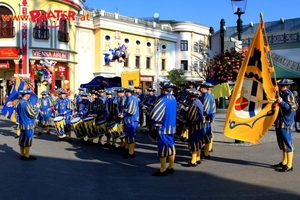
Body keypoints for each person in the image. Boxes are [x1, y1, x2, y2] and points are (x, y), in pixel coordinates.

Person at [150, 81, 177, 176]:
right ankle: (171, 166)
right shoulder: (174, 99)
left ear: (164, 90)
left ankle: (162, 169)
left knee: (162, 148)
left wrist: (154, 123)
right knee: (171, 146)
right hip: (172, 127)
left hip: (163, 128)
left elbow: (155, 115)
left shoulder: (163, 100)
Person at [273, 79, 297, 172]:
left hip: (286, 121)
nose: (280, 86)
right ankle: (284, 162)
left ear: (286, 86)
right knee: (282, 142)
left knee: (287, 142)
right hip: (280, 121)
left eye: (282, 85)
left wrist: (281, 102)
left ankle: (289, 165)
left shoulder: (289, 94)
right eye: (280, 85)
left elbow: (290, 108)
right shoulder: (281, 94)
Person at [182, 89, 204, 167]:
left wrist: (186, 120)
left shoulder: (193, 104)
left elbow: (191, 116)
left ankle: (193, 161)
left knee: (193, 142)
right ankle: (198, 158)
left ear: (191, 96)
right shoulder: (199, 102)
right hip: (200, 125)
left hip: (194, 126)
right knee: (198, 142)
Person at [16, 89, 40, 160]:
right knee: (28, 139)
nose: (29, 95)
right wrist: (37, 108)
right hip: (28, 124)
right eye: (28, 94)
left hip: (22, 123)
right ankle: (27, 155)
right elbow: (32, 114)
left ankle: (22, 154)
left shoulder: (19, 103)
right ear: (26, 95)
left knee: (22, 139)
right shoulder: (27, 103)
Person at [118, 87, 139, 158]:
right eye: (126, 91)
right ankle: (127, 149)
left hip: (132, 120)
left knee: (131, 136)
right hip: (128, 120)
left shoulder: (132, 99)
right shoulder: (128, 98)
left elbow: (131, 111)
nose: (126, 93)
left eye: (127, 92)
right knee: (127, 135)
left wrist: (122, 114)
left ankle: (131, 152)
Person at [199, 82, 216, 159]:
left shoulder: (206, 96)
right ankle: (206, 152)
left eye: (201, 87)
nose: (200, 89)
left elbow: (205, 108)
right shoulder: (210, 95)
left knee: (205, 134)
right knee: (207, 134)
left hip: (206, 118)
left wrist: (203, 117)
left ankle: (206, 153)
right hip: (210, 117)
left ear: (204, 88)